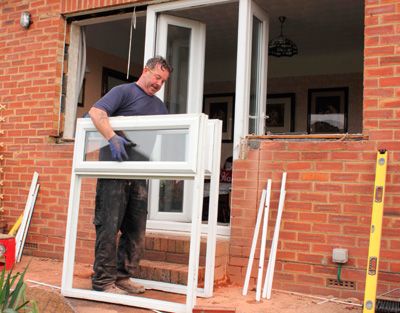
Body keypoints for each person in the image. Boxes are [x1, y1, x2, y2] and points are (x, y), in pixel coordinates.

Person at [88, 56, 173, 295]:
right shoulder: (123, 92)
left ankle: (123, 277)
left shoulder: (159, 106)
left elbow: (169, 135)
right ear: (145, 70)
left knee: (135, 229)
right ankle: (103, 282)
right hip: (114, 171)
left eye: (163, 81)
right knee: (108, 226)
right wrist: (112, 137)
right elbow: (96, 113)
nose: (158, 84)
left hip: (139, 174)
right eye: (157, 77)